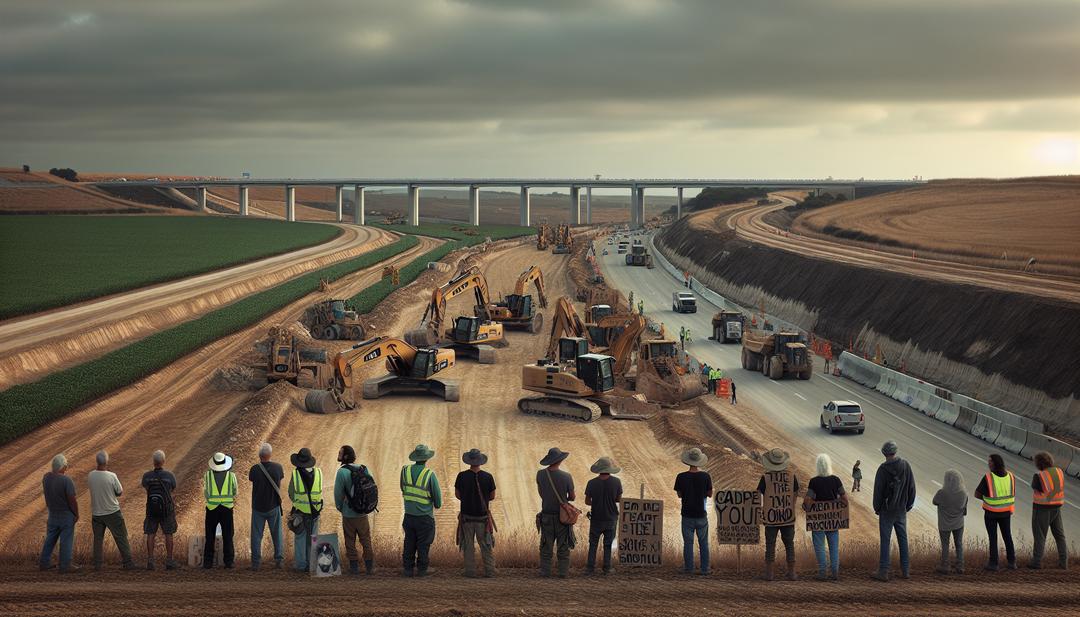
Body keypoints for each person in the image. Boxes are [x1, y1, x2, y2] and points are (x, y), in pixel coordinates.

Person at [871, 441, 916, 582]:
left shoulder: (882, 470)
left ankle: (884, 571)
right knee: (903, 539)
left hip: (886, 510)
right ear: (895, 452)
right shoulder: (905, 465)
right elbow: (912, 488)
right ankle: (906, 570)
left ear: (884, 453)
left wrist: (877, 508)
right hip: (901, 509)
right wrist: (908, 505)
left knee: (886, 540)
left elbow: (878, 491)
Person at [89, 450, 136, 571]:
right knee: (120, 536)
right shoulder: (112, 476)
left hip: (96, 512)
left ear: (97, 461)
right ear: (107, 461)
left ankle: (97, 565)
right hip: (112, 512)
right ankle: (128, 562)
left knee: (98, 539)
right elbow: (119, 491)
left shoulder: (91, 475)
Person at [757, 448, 800, 581]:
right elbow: (796, 493)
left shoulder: (766, 478)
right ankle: (792, 573)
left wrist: (762, 509)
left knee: (770, 544)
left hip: (770, 518)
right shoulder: (792, 477)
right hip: (787, 516)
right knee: (789, 544)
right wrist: (790, 506)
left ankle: (769, 574)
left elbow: (758, 494)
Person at [455, 448, 497, 578]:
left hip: (466, 517)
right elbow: (492, 496)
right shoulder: (488, 477)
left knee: (468, 545)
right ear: (480, 462)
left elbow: (457, 495)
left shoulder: (461, 476)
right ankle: (490, 571)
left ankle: (470, 571)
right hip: (482, 518)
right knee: (486, 545)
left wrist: (467, 498)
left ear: (469, 461)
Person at [335, 445, 376, 575]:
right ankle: (369, 567)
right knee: (366, 539)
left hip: (349, 513)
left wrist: (340, 507)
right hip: (363, 512)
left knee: (349, 540)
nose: (339, 454)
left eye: (340, 453)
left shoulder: (342, 472)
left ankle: (354, 568)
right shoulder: (363, 469)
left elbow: (338, 494)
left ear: (345, 456)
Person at [804, 454, 846, 580]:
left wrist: (812, 503)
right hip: (833, 520)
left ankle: (822, 573)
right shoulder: (836, 480)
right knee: (833, 547)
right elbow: (844, 500)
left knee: (819, 546)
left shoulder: (814, 481)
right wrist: (835, 503)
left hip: (818, 521)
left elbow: (807, 501)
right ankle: (835, 572)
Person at [401, 444, 441, 577]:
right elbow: (438, 502)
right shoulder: (430, 474)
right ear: (426, 458)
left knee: (409, 542)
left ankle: (408, 569)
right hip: (425, 517)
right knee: (423, 545)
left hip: (408, 516)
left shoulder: (405, 471)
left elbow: (403, 489)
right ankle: (422, 570)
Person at [536, 447, 576, 578]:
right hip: (562, 517)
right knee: (563, 546)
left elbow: (541, 493)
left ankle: (545, 572)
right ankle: (563, 573)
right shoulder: (566, 476)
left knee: (546, 546)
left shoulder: (540, 474)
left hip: (546, 515)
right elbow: (572, 497)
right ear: (560, 461)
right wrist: (564, 499)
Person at [974, 453, 1016, 571]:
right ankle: (1012, 562)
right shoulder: (1011, 476)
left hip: (991, 512)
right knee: (1007, 536)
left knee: (993, 538)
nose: (988, 463)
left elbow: (977, 494)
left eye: (990, 461)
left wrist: (987, 499)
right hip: (1006, 512)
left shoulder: (988, 477)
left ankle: (993, 563)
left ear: (995, 463)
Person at [39, 453, 79, 573]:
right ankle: (65, 565)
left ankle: (44, 563)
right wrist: (76, 514)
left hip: (52, 513)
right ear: (63, 467)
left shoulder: (46, 478)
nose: (66, 468)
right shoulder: (66, 480)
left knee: (50, 539)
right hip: (65, 514)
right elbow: (72, 499)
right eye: (65, 466)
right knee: (66, 540)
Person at [674, 447, 712, 575]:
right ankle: (705, 569)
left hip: (687, 514)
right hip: (701, 515)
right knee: (703, 544)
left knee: (688, 543)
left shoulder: (681, 477)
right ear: (700, 461)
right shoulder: (706, 476)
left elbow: (679, 495)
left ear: (688, 461)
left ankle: (689, 568)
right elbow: (710, 494)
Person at [1029, 451, 1068, 570]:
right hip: (1056, 507)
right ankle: (1063, 562)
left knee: (1040, 536)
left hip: (1042, 508)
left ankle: (1036, 562)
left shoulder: (1039, 476)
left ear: (1039, 463)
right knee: (1060, 536)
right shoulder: (1059, 471)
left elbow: (1035, 487)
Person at [584, 457, 623, 575]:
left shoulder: (591, 483)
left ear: (598, 469)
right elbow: (618, 499)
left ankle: (590, 568)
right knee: (608, 544)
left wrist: (596, 502)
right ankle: (607, 567)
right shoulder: (616, 482)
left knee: (593, 543)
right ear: (610, 469)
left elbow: (587, 501)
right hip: (611, 518)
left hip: (596, 518)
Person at [141, 449, 179, 570]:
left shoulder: (147, 476)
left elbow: (146, 488)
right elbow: (173, 488)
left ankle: (151, 560)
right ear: (163, 461)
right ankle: (169, 560)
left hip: (151, 509)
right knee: (168, 533)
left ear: (153, 462)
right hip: (166, 510)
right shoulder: (169, 476)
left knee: (150, 534)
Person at [249, 442, 284, 571]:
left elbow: (252, 480)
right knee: (277, 534)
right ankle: (279, 560)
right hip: (273, 506)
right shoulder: (278, 468)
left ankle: (256, 563)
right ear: (270, 454)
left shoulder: (254, 469)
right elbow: (279, 481)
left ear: (259, 455)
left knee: (257, 536)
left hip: (258, 507)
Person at [288, 447, 323, 573]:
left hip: (301, 512)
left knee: (300, 538)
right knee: (314, 538)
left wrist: (299, 501)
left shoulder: (295, 474)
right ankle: (312, 565)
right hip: (315, 511)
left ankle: (300, 565)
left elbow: (291, 493)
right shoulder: (319, 472)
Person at [203, 451, 238, 569]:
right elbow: (235, 492)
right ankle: (229, 562)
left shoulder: (207, 475)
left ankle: (208, 562)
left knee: (210, 536)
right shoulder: (231, 476)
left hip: (211, 508)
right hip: (227, 509)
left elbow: (206, 493)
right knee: (228, 535)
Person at [932, 469, 967, 575]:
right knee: (959, 544)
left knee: (945, 545)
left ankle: (945, 566)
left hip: (944, 524)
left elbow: (934, 501)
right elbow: (964, 510)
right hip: (959, 523)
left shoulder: (942, 492)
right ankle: (960, 566)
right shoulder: (963, 493)